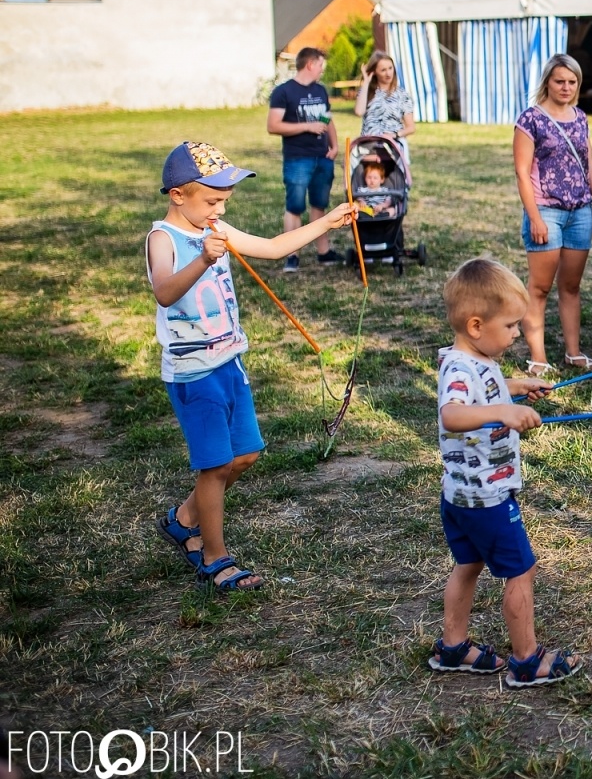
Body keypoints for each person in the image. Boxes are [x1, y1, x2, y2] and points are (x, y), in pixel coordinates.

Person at [150, 142, 355, 590]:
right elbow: (165, 292)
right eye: (211, 200)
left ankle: (184, 518)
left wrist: (326, 220)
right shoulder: (163, 239)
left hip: (229, 361)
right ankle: (213, 556)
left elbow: (274, 247)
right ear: (177, 196)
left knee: (245, 455)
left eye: (223, 200)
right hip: (193, 371)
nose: (219, 209)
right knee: (216, 465)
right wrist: (204, 257)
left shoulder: (215, 225)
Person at [431, 257, 577, 685]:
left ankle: (453, 647)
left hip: (461, 496)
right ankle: (527, 660)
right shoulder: (458, 368)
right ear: (476, 325)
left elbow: (486, 384)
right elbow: (453, 414)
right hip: (485, 497)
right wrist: (504, 411)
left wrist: (516, 387)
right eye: (511, 326)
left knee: (468, 564)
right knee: (520, 569)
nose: (517, 334)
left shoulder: (473, 359)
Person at [513, 54, 592, 374]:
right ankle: (538, 357)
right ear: (547, 82)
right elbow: (521, 171)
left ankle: (573, 352)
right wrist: (535, 218)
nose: (566, 87)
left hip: (580, 211)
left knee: (571, 287)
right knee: (539, 288)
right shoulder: (531, 119)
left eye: (572, 82)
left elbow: (589, 167)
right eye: (560, 81)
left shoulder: (581, 118)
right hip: (546, 211)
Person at [267, 47, 341, 272]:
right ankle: (292, 255)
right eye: (320, 66)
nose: (322, 71)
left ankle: (323, 252)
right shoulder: (283, 92)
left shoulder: (320, 90)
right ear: (310, 64)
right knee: (295, 206)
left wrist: (335, 145)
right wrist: (307, 126)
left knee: (320, 204)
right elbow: (273, 125)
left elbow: (327, 120)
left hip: (322, 157)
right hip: (298, 158)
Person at [353, 52, 416, 146]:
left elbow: (411, 127)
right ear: (374, 72)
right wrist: (366, 82)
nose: (388, 73)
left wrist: (395, 135)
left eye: (390, 68)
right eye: (383, 70)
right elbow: (359, 112)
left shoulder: (402, 95)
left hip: (393, 144)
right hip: (369, 144)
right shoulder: (367, 92)